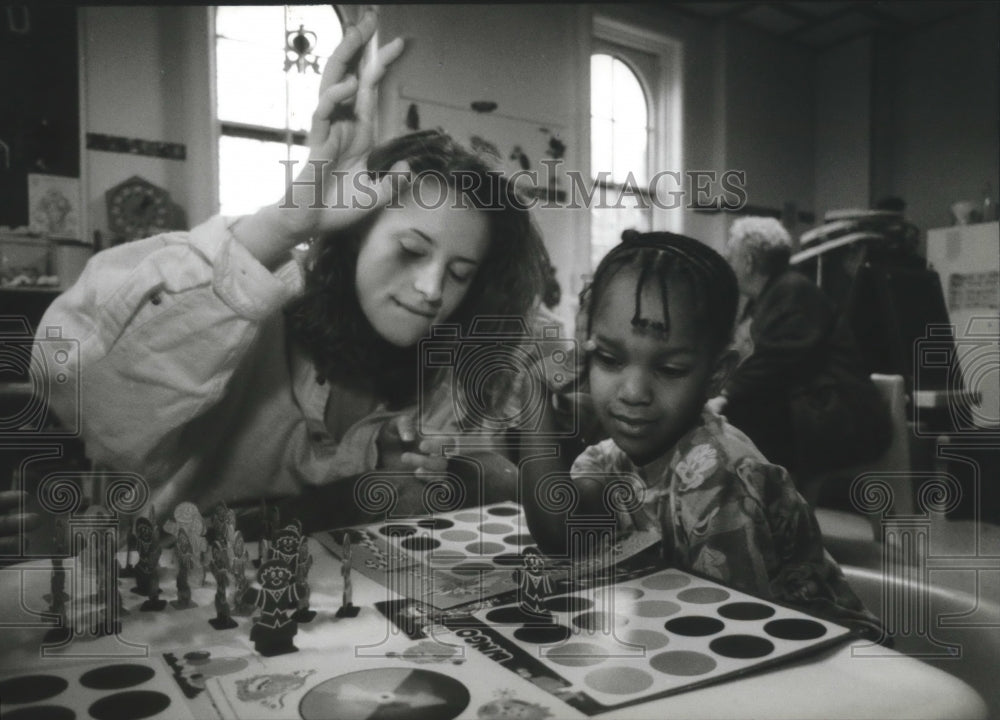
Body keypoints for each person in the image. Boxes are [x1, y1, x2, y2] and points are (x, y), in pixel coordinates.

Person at [29, 12, 547, 531]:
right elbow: (71, 382)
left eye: (459, 273)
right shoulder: (252, 309)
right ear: (356, 233)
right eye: (411, 251)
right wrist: (278, 226)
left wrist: (379, 472)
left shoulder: (445, 372)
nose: (432, 290)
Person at [522, 230, 883, 637]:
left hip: (833, 666)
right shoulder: (610, 458)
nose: (633, 392)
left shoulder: (719, 478)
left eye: (670, 369)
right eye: (609, 358)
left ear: (716, 375)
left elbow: (737, 637)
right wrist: (534, 394)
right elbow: (560, 531)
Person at [706, 217, 890, 491]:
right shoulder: (769, 297)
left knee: (733, 421)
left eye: (730, 257)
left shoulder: (793, 291)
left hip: (837, 416)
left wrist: (725, 394)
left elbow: (776, 359)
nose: (728, 264)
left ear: (749, 261)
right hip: (810, 408)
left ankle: (760, 511)